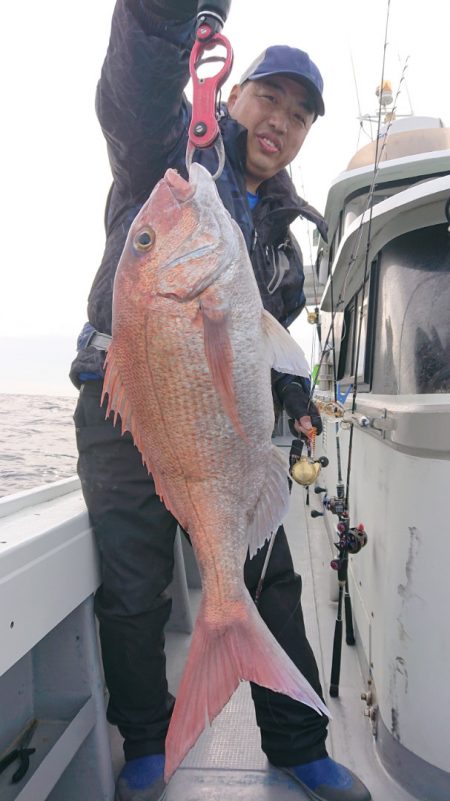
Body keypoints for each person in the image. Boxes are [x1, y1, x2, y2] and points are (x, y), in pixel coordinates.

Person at [70, 2, 372, 800]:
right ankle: (146, 739)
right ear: (229, 92)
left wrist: (296, 389)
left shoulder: (280, 235)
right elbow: (135, 98)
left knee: (271, 578)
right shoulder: (174, 164)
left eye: (299, 115)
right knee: (136, 589)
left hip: (225, 431)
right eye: (268, 98)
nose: (280, 121)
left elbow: (268, 338)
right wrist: (170, 18)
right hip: (124, 407)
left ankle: (299, 740)